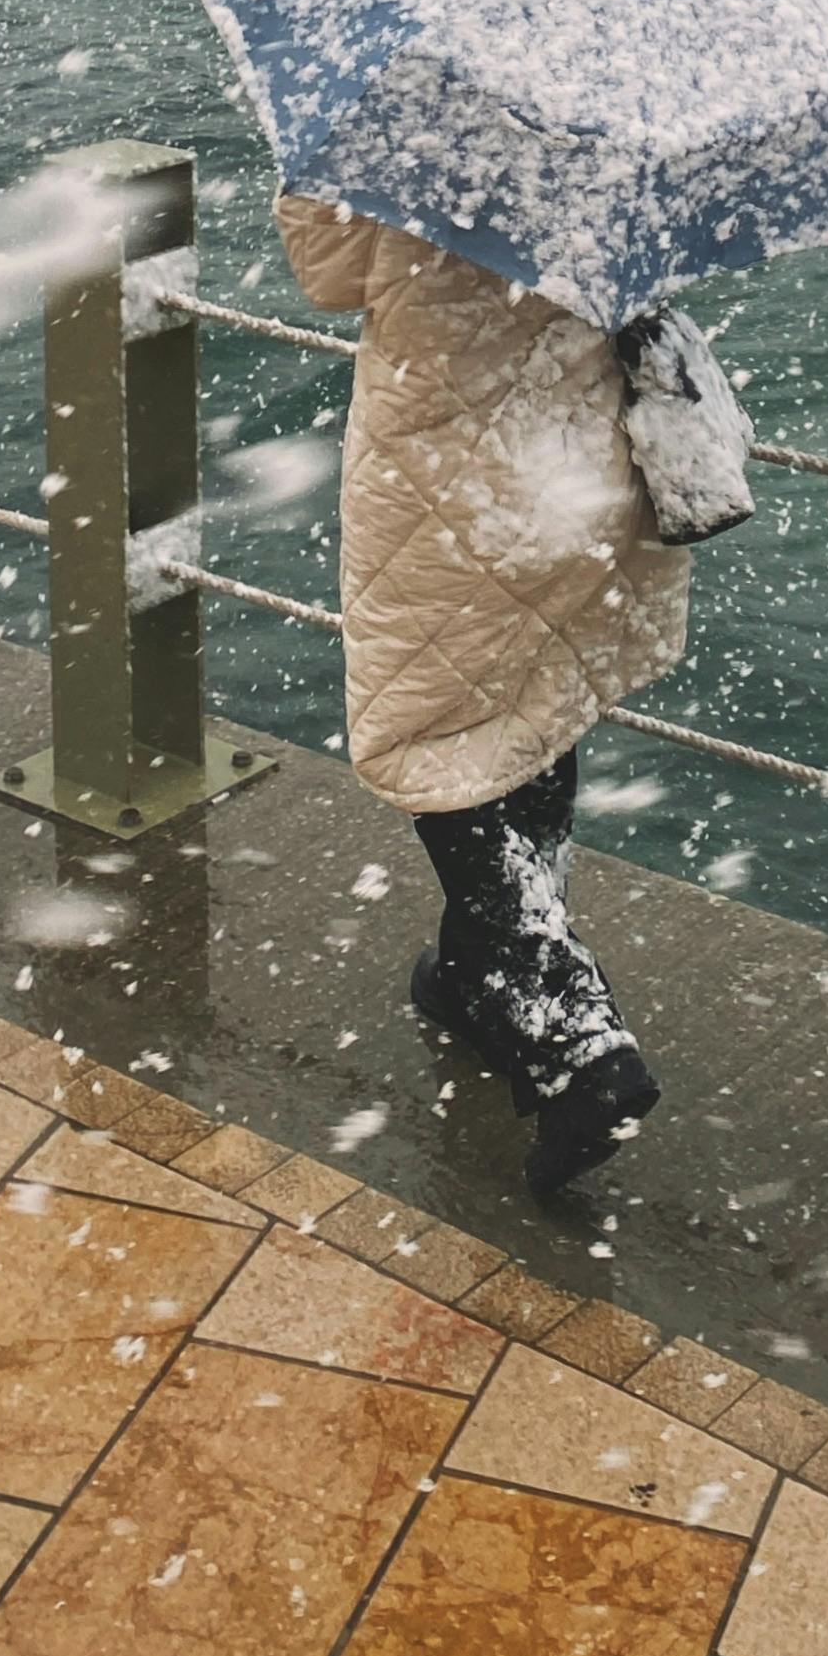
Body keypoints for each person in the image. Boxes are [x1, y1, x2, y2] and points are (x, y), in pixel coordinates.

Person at [275, 186, 684, 1195]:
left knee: (428, 737)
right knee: (533, 700)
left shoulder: (412, 114)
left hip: (445, 478)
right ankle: (472, 971)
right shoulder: (615, 105)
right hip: (577, 465)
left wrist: (306, 174)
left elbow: (327, 273)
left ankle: (575, 1034)